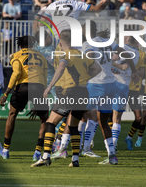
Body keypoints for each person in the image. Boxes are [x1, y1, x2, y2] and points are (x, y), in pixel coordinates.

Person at [31, 31, 102, 168]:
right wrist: (85, 78)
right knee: (73, 126)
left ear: (61, 43)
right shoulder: (81, 54)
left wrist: (49, 86)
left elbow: (62, 67)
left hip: (70, 92)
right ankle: (75, 159)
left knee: (50, 123)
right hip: (83, 92)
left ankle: (45, 157)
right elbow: (97, 68)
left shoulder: (66, 54)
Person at [83, 23, 139, 165]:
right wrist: (135, 70)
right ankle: (112, 156)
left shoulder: (86, 44)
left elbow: (89, 55)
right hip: (110, 85)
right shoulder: (109, 43)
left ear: (86, 31)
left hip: (95, 84)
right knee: (104, 122)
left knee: (79, 114)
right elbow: (125, 54)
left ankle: (75, 148)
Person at [0, 36, 48, 160]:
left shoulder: (16, 55)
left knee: (12, 115)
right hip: (39, 87)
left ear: (20, 45)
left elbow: (16, 73)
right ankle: (37, 152)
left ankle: (5, 150)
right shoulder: (41, 57)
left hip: (23, 86)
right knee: (44, 119)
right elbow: (44, 76)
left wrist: (6, 94)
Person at [110, 35, 140, 151]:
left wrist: (109, 62)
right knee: (116, 117)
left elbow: (123, 67)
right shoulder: (135, 53)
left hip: (117, 84)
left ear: (127, 39)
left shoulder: (129, 51)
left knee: (108, 115)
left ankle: (111, 144)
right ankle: (113, 144)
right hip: (119, 85)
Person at [124, 47, 146, 151]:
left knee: (139, 117)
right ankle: (112, 144)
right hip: (120, 88)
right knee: (113, 116)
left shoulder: (141, 54)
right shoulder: (119, 51)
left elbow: (141, 73)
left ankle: (129, 137)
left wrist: (132, 69)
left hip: (133, 90)